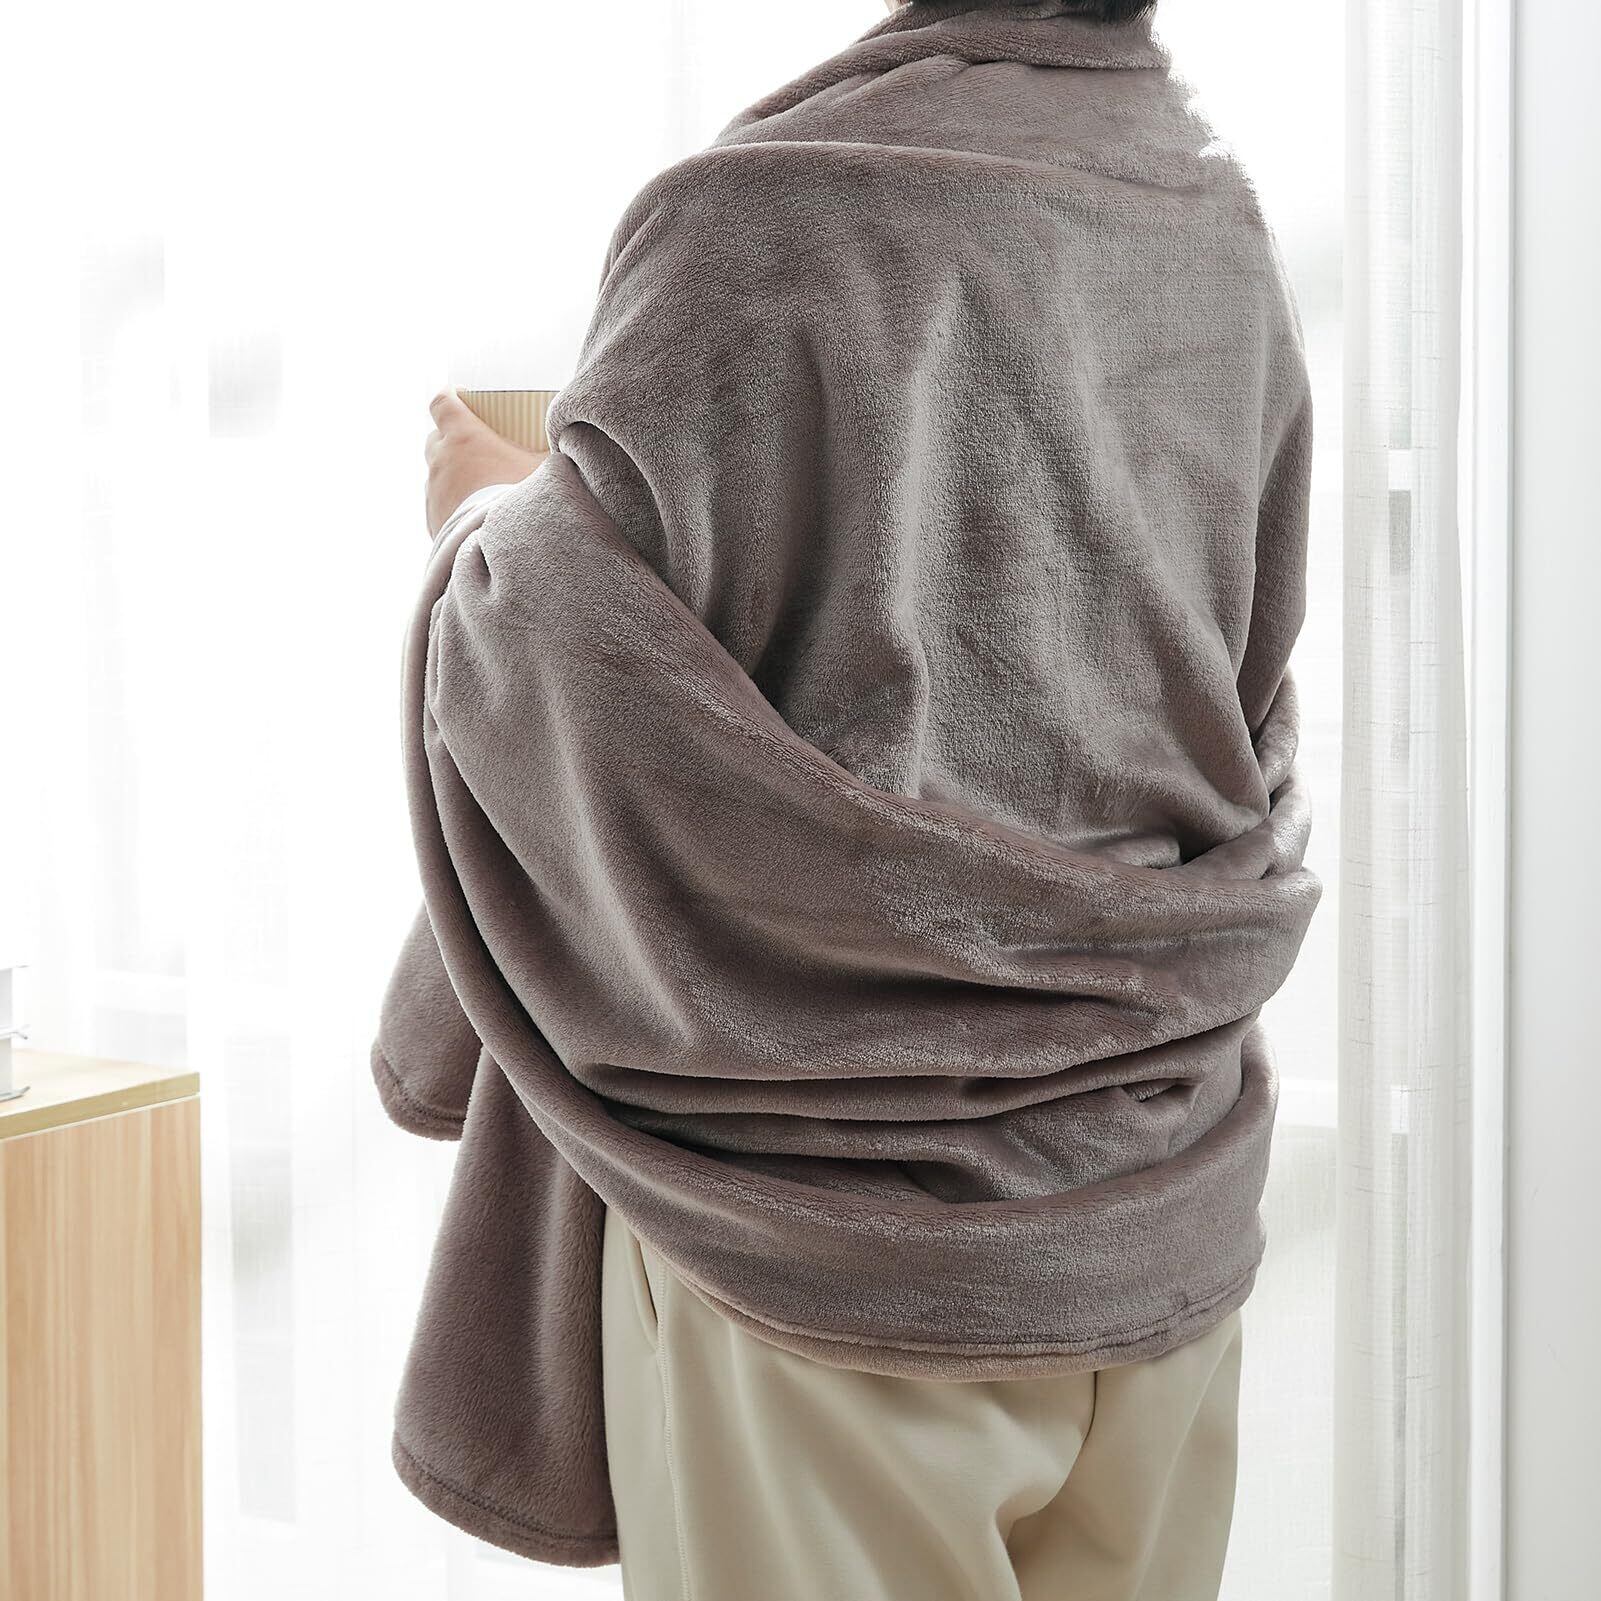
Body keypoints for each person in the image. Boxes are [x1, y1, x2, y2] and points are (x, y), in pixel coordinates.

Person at [388, 3, 1318, 1598]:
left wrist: (485, 527)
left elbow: (574, 682)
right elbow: (1229, 674)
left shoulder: (753, 216)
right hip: (1154, 1193)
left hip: (829, 1240)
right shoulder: (1206, 213)